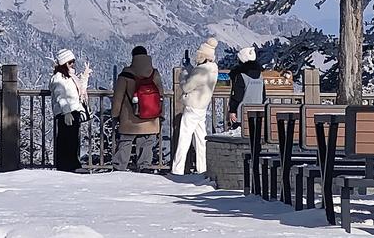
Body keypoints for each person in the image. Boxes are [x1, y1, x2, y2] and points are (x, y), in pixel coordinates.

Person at [111, 45, 164, 172]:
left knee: (126, 142)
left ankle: (119, 167)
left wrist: (115, 114)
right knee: (147, 143)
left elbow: (118, 97)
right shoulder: (154, 74)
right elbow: (160, 96)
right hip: (151, 117)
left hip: (130, 118)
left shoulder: (126, 74)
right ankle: (144, 167)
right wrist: (161, 114)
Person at [171, 37, 218, 176]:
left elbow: (187, 86)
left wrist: (184, 74)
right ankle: (202, 167)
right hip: (202, 107)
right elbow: (199, 77)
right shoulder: (213, 68)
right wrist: (192, 68)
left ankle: (178, 169)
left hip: (192, 107)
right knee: (201, 139)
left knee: (184, 138)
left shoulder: (201, 71)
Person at [49, 48, 88, 172]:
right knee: (67, 140)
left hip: (72, 112)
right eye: (70, 62)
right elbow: (60, 95)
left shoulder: (69, 77)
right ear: (64, 63)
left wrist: (85, 76)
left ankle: (71, 165)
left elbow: (78, 90)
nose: (73, 65)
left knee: (72, 140)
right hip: (66, 113)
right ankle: (68, 166)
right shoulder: (59, 78)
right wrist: (66, 112)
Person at [228, 46, 266, 127]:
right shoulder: (260, 76)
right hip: (257, 113)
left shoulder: (241, 75)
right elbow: (263, 96)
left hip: (241, 114)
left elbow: (237, 96)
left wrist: (232, 111)